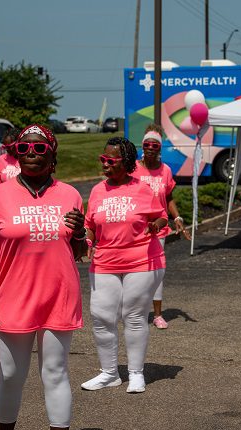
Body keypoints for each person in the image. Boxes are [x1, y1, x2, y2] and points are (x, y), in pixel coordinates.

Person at [0, 124, 88, 430]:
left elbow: (78, 251)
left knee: (54, 372)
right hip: (13, 299)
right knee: (10, 374)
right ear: (16, 154)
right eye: (24, 147)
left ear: (53, 156)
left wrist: (82, 233)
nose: (32, 152)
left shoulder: (70, 194)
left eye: (40, 148)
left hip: (58, 297)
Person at [80, 137, 167, 394]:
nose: (105, 164)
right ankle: (109, 373)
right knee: (101, 316)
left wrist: (157, 225)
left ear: (126, 163)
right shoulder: (97, 191)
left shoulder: (142, 189)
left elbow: (160, 216)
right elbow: (90, 224)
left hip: (142, 261)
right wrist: (86, 240)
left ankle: (136, 373)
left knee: (134, 315)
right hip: (105, 261)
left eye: (111, 161)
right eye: (102, 160)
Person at [137, 124, 187, 329]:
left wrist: (178, 218)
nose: (150, 148)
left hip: (160, 229)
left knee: (157, 271)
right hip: (137, 229)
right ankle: (137, 313)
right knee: (137, 271)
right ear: (142, 146)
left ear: (159, 149)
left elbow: (168, 197)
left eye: (154, 145)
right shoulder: (133, 169)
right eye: (147, 144)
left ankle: (157, 315)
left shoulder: (165, 171)